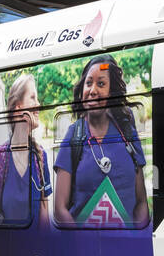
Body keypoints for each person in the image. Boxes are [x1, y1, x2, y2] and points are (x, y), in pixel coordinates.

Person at [54, 55, 149, 228]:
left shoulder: (128, 133)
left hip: (126, 249)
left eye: (101, 84)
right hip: (84, 249)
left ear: (112, 92)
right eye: (88, 83)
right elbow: (60, 210)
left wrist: (135, 238)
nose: (93, 90)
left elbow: (142, 203)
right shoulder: (73, 135)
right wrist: (82, 243)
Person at [0, 74, 52, 225]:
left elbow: (44, 220)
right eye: (33, 98)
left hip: (34, 249)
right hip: (7, 247)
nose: (39, 104)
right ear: (18, 107)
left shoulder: (40, 157)